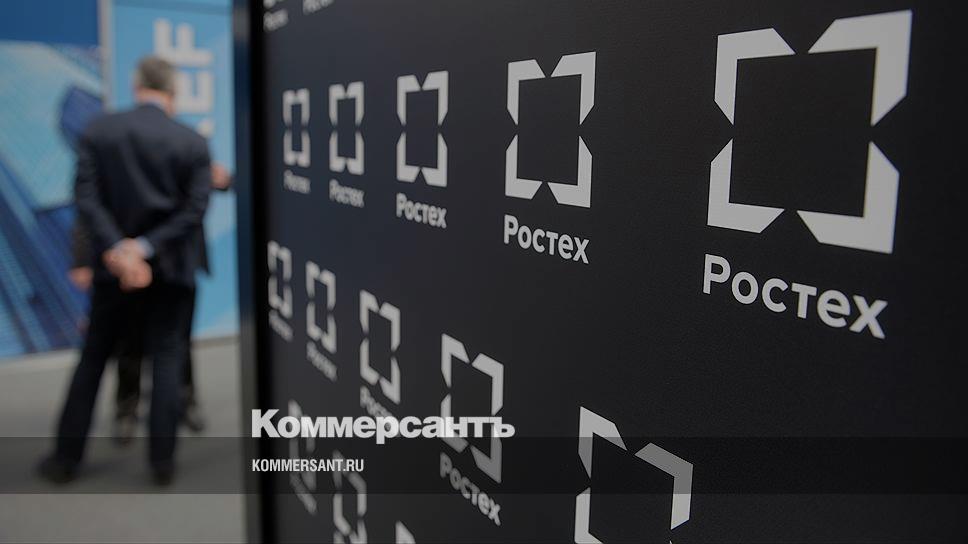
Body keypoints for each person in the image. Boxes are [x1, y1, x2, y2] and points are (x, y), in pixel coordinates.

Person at [39, 56, 212, 486]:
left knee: (94, 358)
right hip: (170, 269)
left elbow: (86, 198)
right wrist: (144, 248)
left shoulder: (99, 131)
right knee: (167, 358)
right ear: (173, 91)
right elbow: (194, 210)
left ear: (136, 86)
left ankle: (65, 459)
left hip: (111, 271)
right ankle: (162, 463)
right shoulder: (191, 141)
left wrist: (120, 249)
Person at [69, 163, 232, 443]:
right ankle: (127, 409)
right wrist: (83, 257)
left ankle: (185, 402)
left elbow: (199, 196)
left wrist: (223, 180)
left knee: (177, 343)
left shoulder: (186, 147)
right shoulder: (112, 150)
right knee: (130, 342)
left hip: (176, 260)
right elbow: (90, 204)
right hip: (128, 261)